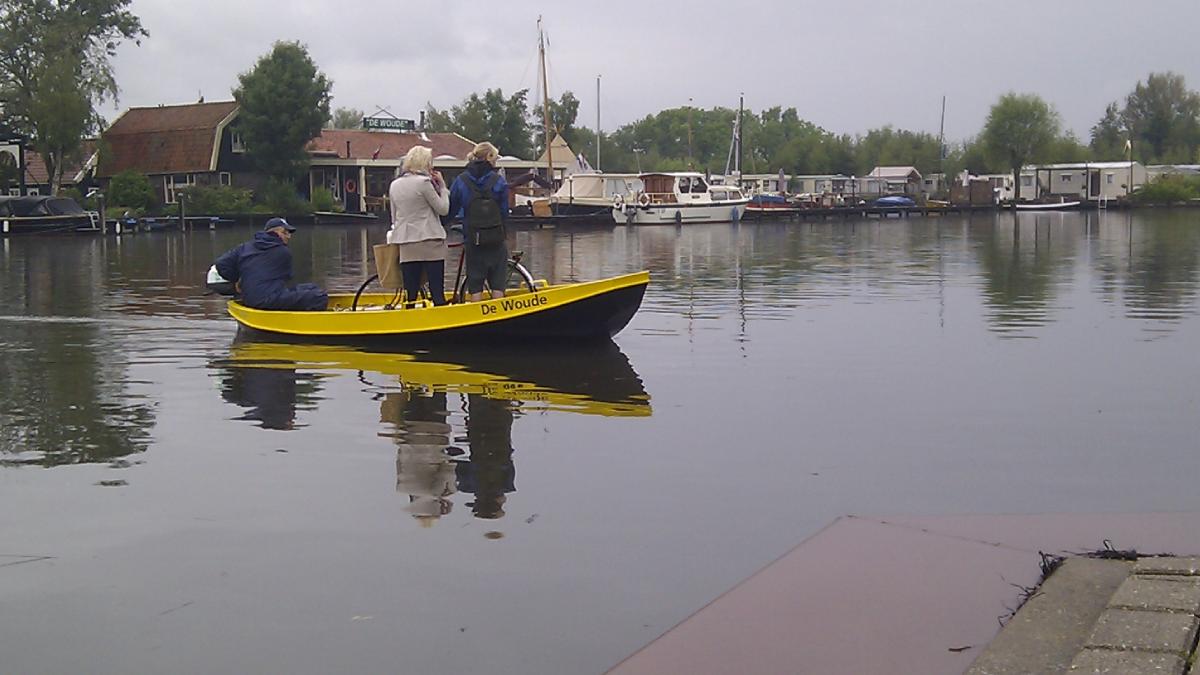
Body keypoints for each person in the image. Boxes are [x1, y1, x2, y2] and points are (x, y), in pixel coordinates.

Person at [214, 217, 328, 311]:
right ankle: (303, 323)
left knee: (312, 287)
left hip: (248, 299)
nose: (288, 236)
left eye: (289, 233)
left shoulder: (245, 247)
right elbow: (286, 279)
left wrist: (237, 280)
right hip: (268, 300)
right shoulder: (283, 252)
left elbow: (221, 264)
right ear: (275, 232)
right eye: (285, 232)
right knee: (319, 297)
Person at [447, 141, 510, 301]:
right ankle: (500, 318)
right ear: (489, 157)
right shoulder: (499, 181)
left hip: (472, 237)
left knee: (475, 281)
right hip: (496, 237)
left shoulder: (461, 180)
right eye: (495, 158)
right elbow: (504, 211)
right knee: (498, 282)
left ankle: (477, 316)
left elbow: (451, 207)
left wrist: (443, 223)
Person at [388, 146, 450, 306]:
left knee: (411, 291)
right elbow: (443, 209)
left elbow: (394, 217)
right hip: (430, 239)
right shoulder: (424, 183)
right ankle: (440, 322)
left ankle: (410, 320)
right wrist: (443, 188)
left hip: (406, 241)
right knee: (437, 291)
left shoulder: (394, 185)